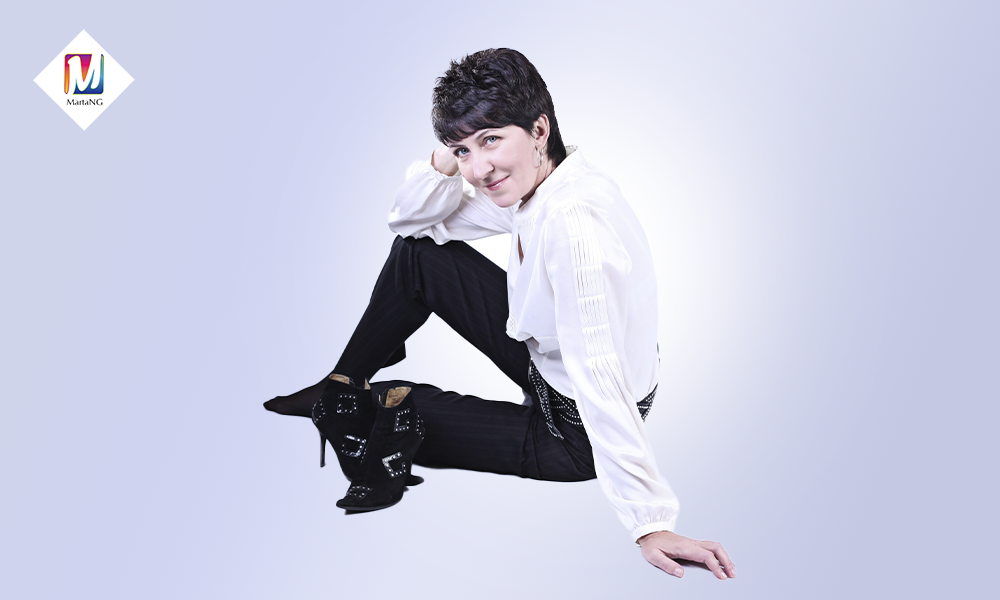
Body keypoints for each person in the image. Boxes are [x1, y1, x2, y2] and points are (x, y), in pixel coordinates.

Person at [264, 48, 735, 580]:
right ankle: (342, 383)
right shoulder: (544, 180)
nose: (478, 169)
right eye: (462, 151)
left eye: (490, 140)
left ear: (539, 129)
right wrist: (447, 156)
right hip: (547, 359)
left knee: (391, 412)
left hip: (573, 433)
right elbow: (411, 222)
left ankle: (351, 405)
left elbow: (600, 373)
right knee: (418, 255)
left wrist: (651, 522)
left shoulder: (574, 225)